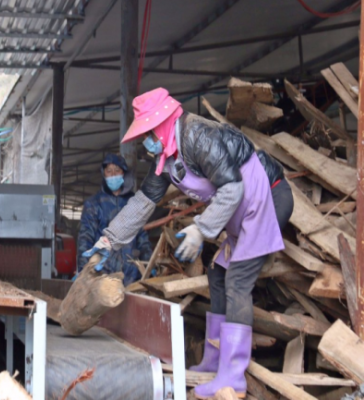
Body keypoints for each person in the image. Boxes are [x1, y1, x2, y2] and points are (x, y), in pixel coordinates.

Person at [83, 88, 293, 398]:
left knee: (237, 281)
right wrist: (109, 240)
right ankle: (213, 360)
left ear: (162, 124)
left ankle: (233, 377)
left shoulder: (198, 136)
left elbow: (232, 188)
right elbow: (143, 202)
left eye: (148, 133)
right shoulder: (166, 158)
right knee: (217, 273)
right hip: (241, 210)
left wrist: (201, 229)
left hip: (268, 197)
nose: (146, 141)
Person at [76, 153, 153, 286]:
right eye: (109, 171)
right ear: (104, 174)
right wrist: (83, 271)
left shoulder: (133, 203)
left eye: (117, 170)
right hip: (102, 276)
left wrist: (149, 267)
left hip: (131, 277)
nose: (113, 175)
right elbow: (85, 239)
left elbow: (142, 238)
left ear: (124, 173)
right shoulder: (94, 204)